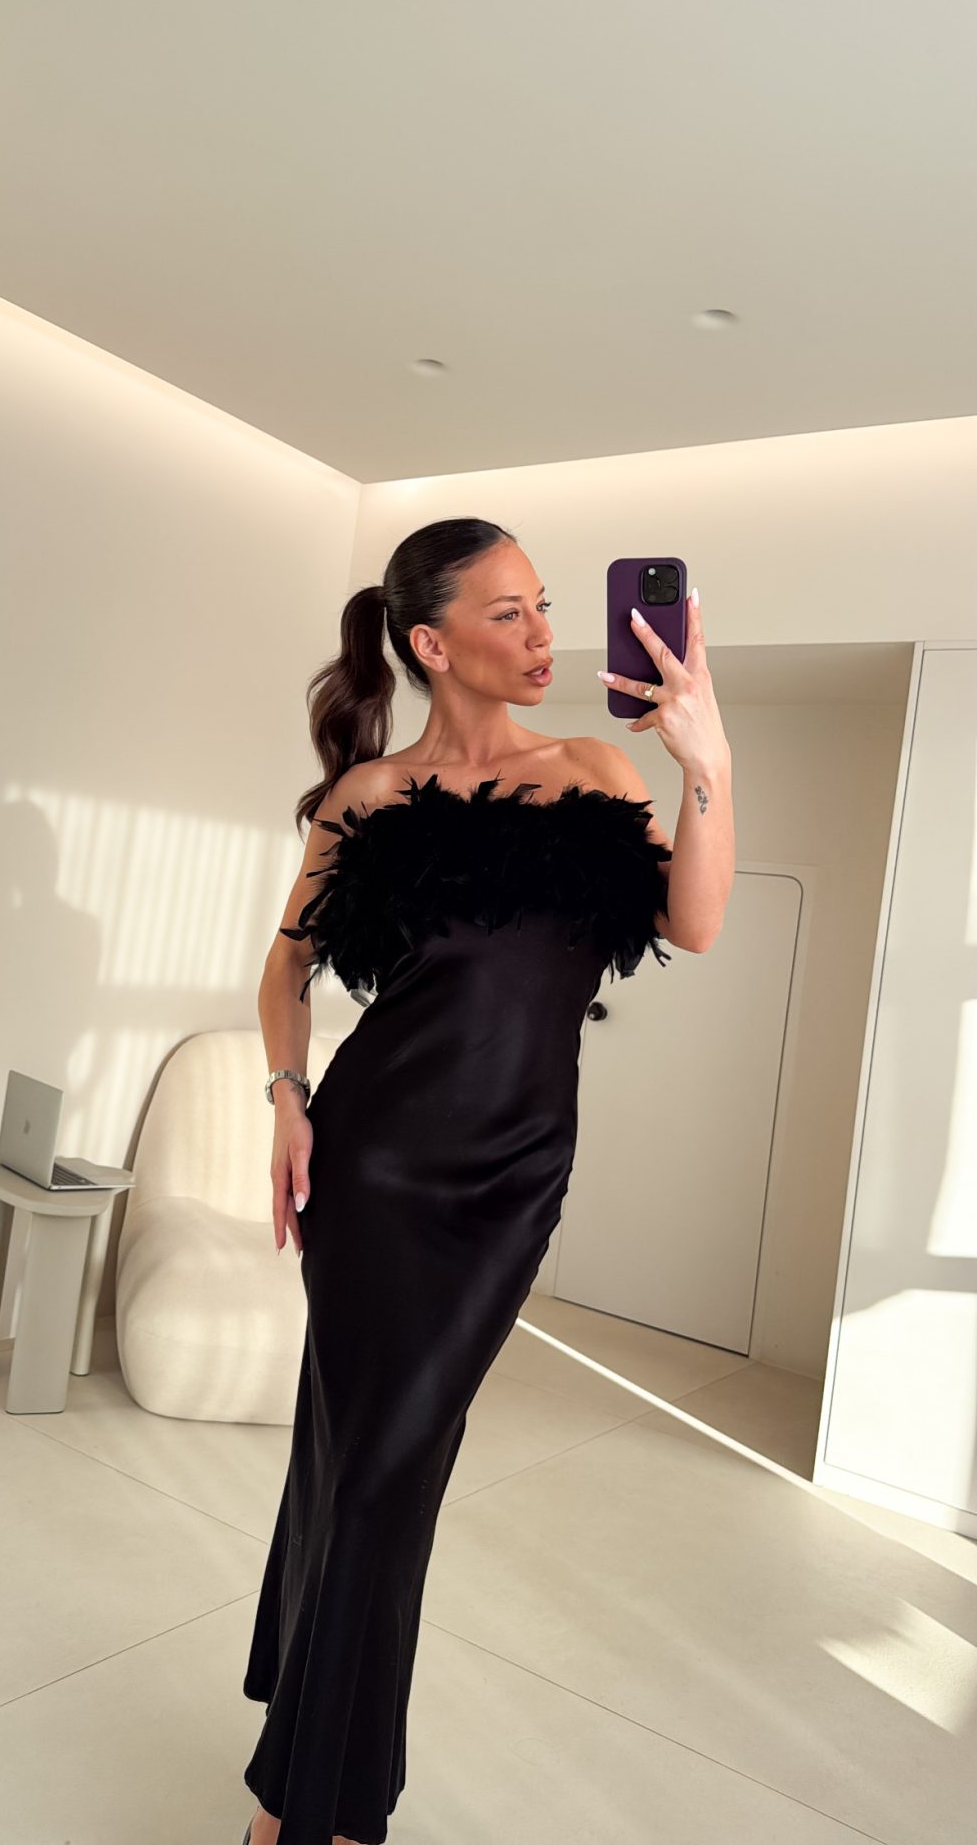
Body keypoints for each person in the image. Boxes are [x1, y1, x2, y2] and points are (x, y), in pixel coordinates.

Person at [240, 516, 729, 1845]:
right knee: (362, 1463)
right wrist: (286, 1097)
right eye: (508, 614)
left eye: (545, 606)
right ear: (431, 643)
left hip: (509, 1176)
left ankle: (309, 1774)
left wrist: (707, 764)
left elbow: (692, 922)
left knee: (387, 1466)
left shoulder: (593, 769)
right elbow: (285, 968)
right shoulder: (366, 798)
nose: (544, 636)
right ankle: (318, 1807)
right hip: (370, 1161)